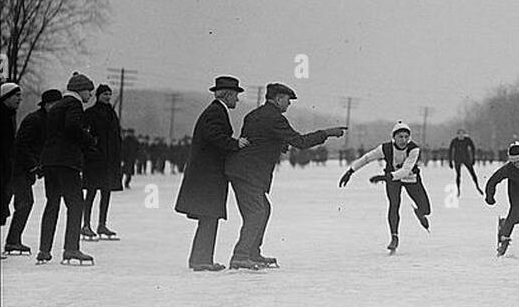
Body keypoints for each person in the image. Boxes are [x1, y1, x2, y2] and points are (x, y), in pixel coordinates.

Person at [225, 83, 345, 269]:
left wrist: (277, 144)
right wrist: (326, 133)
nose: (288, 105)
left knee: (262, 209)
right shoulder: (275, 118)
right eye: (288, 100)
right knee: (257, 212)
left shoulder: (253, 115)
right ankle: (240, 256)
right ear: (278, 98)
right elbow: (301, 142)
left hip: (242, 170)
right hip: (250, 173)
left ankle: (252, 254)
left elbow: (255, 139)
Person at [174, 76, 249, 271]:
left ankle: (200, 259)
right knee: (209, 217)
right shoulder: (216, 112)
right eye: (236, 96)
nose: (237, 100)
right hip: (207, 178)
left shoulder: (215, 111)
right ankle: (201, 261)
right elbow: (214, 136)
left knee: (208, 218)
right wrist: (235, 143)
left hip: (206, 177)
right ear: (229, 95)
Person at [339, 121, 430, 254]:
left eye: (406, 137)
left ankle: (420, 213)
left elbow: (405, 170)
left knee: (426, 210)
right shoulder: (385, 148)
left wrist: (384, 178)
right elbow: (366, 158)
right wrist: (350, 171)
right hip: (393, 180)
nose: (404, 140)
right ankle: (394, 237)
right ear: (394, 137)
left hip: (411, 178)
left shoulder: (414, 149)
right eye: (400, 137)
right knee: (394, 204)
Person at [38, 71, 96, 264]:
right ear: (81, 90)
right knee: (76, 204)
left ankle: (44, 250)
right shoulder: (74, 104)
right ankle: (71, 248)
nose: (90, 95)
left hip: (50, 161)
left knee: (52, 203)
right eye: (89, 91)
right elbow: (72, 127)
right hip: (67, 162)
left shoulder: (56, 106)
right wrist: (87, 139)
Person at [5, 89, 59, 255]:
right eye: (56, 104)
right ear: (48, 104)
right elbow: (22, 145)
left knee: (18, 203)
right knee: (23, 203)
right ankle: (12, 241)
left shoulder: (48, 120)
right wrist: (34, 165)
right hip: (17, 169)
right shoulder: (35, 120)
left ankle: (13, 240)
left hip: (24, 170)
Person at [80, 84, 123, 240]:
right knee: (91, 192)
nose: (107, 97)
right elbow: (84, 135)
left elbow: (116, 136)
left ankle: (102, 224)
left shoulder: (112, 114)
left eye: (109, 94)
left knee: (106, 192)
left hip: (109, 160)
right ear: (98, 95)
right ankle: (86, 225)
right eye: (105, 94)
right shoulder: (90, 113)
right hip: (94, 160)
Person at [0, 82, 23, 255]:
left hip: (7, 169)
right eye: (16, 95)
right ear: (6, 97)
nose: (19, 99)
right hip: (1, 169)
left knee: (2, 207)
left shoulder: (10, 115)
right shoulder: (1, 116)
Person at [448, 129, 481, 196]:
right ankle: (458, 190)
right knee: (458, 175)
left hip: (466, 158)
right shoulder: (454, 141)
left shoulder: (467, 140)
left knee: (472, 173)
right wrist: (450, 161)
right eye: (459, 134)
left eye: (462, 134)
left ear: (464, 134)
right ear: (457, 135)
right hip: (457, 159)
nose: (461, 136)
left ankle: (477, 187)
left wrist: (473, 158)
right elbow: (450, 151)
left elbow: (473, 148)